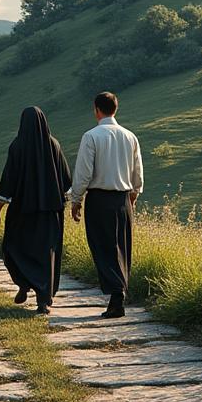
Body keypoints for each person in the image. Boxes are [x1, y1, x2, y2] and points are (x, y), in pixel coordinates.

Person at [0, 107, 71, 315]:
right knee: (46, 254)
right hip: (50, 212)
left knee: (13, 247)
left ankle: (24, 283)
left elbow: (8, 181)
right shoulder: (54, 145)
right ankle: (43, 299)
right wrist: (71, 204)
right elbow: (66, 181)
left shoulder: (18, 146)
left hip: (22, 211)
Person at [70, 91, 143, 318]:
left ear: (96, 110)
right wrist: (134, 195)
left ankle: (117, 293)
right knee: (121, 247)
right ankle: (118, 293)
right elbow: (137, 172)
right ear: (116, 108)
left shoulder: (91, 136)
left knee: (102, 247)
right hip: (123, 199)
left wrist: (76, 199)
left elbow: (83, 173)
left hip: (99, 199)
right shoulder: (130, 136)